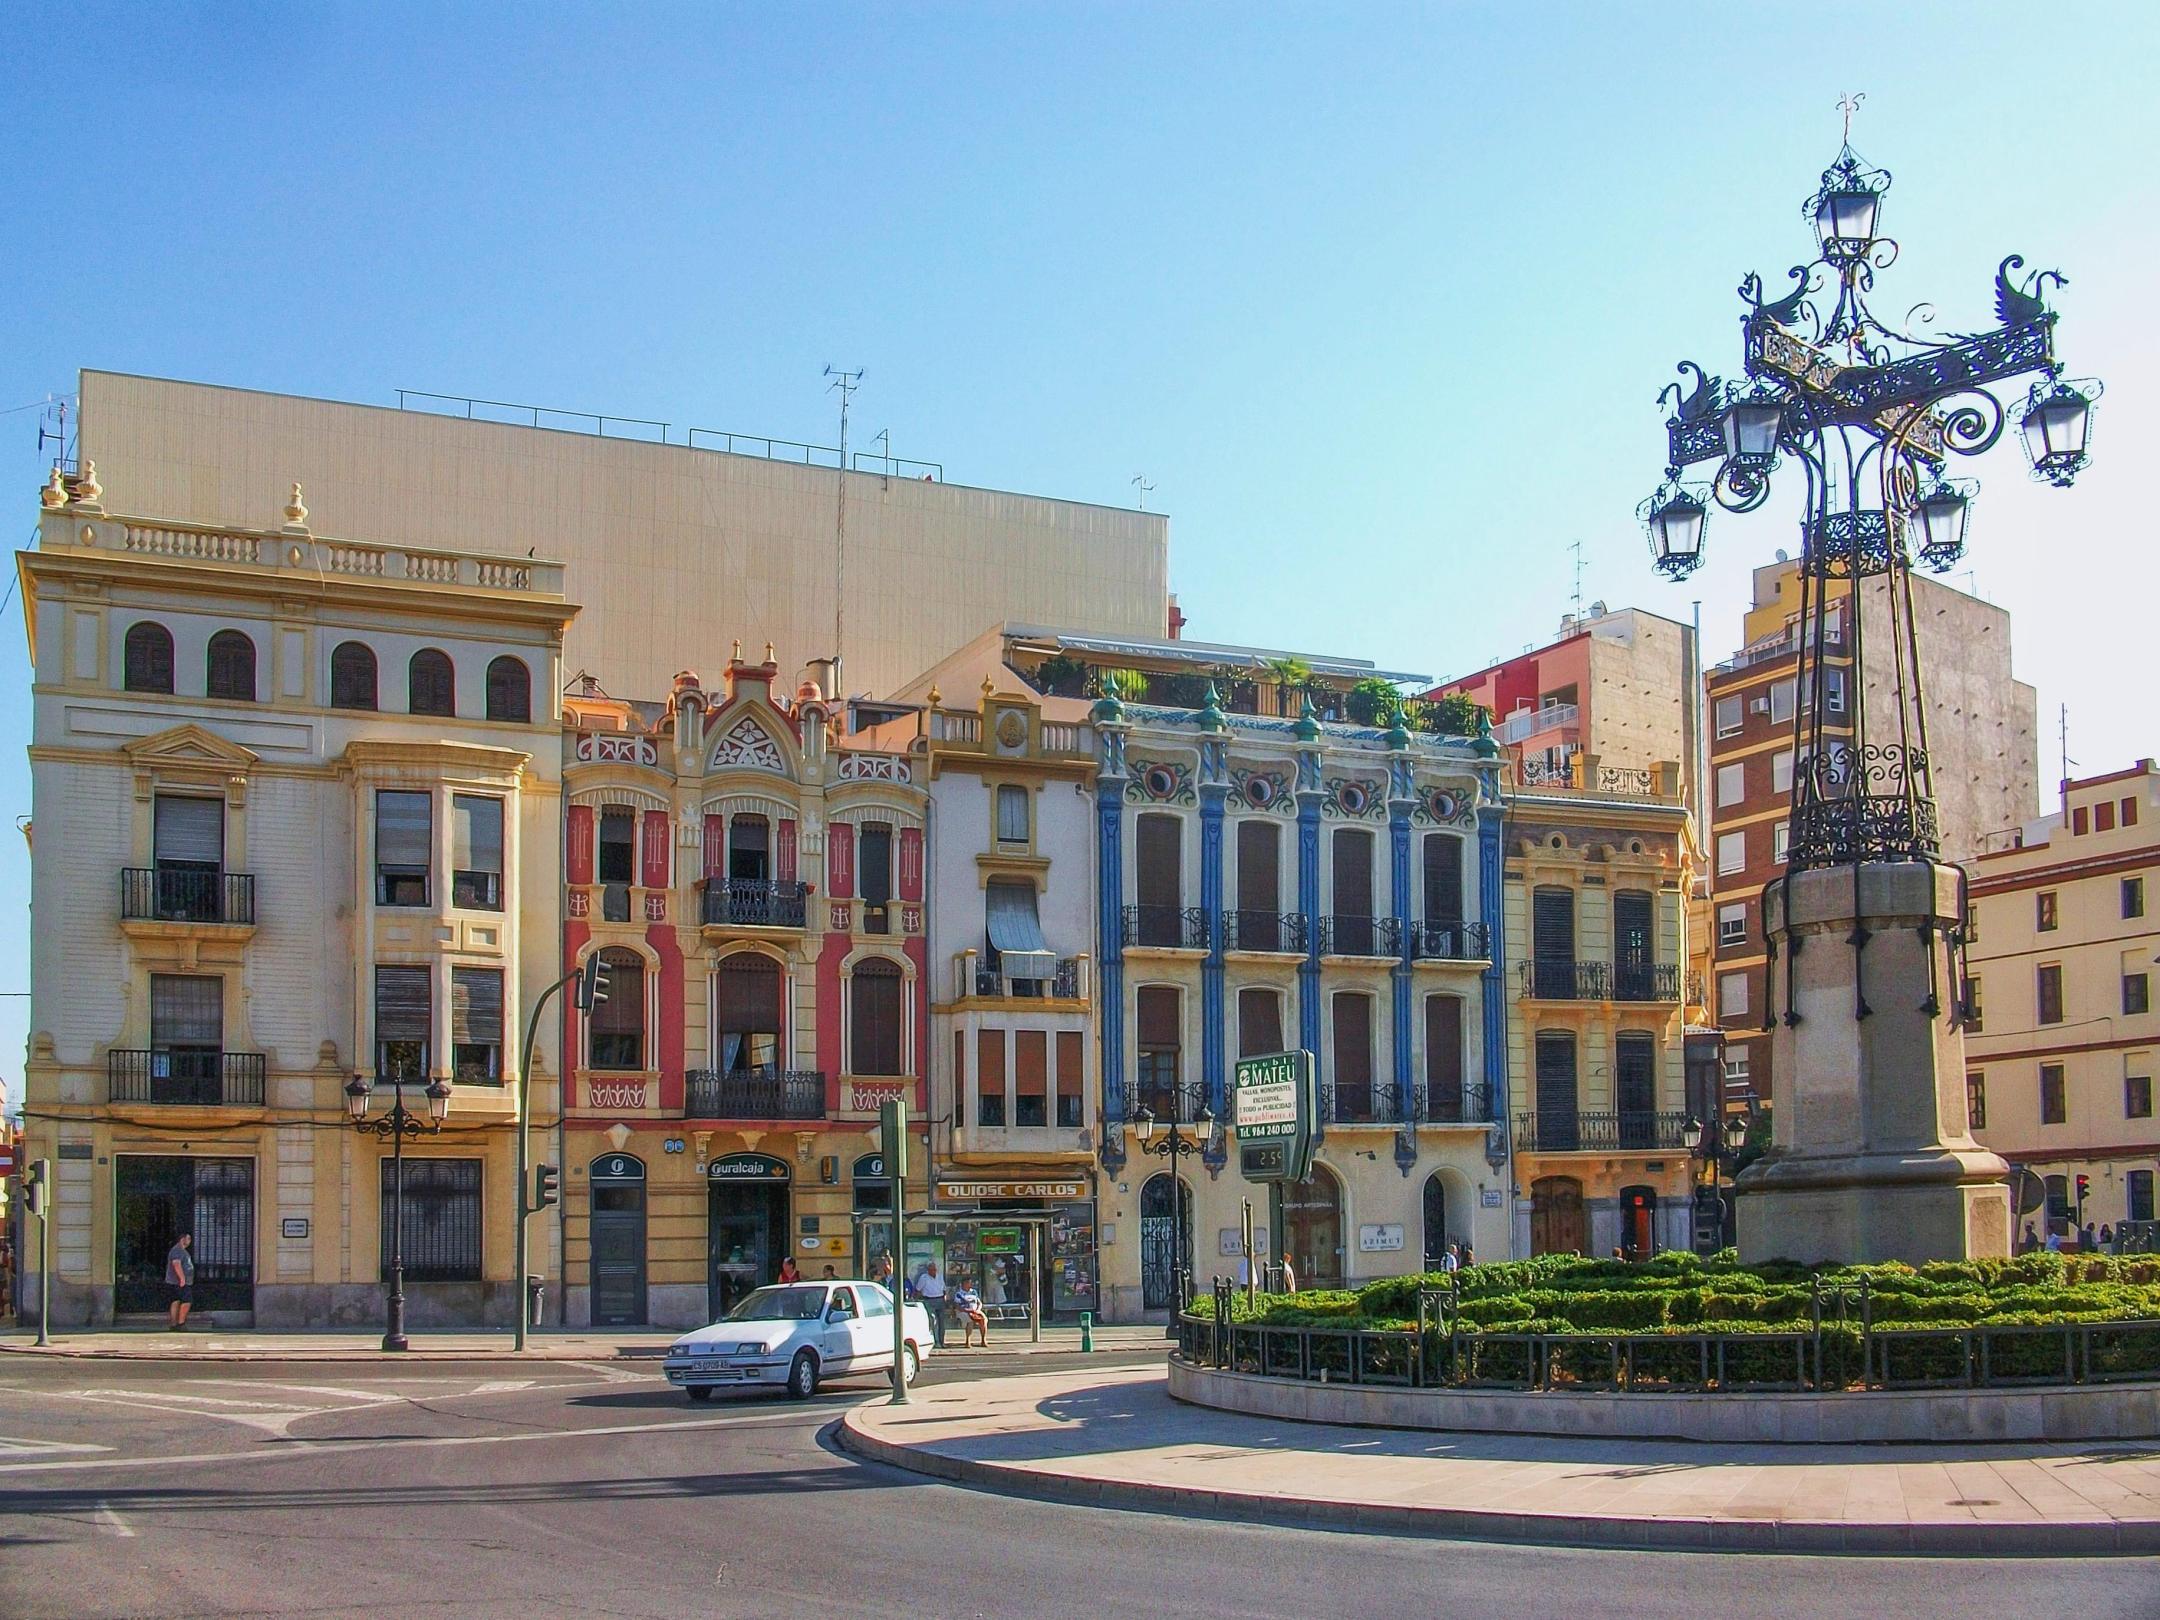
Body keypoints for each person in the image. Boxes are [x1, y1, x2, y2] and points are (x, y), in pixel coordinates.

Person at [913, 1260, 948, 1347]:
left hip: (940, 1299)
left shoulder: (940, 1277)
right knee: (933, 1320)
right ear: (928, 1270)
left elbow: (944, 1289)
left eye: (934, 1269)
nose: (933, 1271)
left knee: (942, 1322)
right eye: (931, 1269)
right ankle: (936, 1342)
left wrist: (945, 1299)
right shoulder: (924, 1277)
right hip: (929, 1300)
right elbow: (918, 1289)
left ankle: (942, 1341)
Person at [166, 1233, 195, 1330]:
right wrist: (182, 1279)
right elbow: (176, 1264)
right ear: (182, 1239)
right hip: (180, 1282)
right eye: (188, 1239)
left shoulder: (181, 1251)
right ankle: (180, 1323)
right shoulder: (178, 1250)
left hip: (176, 1282)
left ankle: (174, 1324)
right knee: (187, 1301)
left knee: (176, 1301)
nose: (190, 1241)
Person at [951, 1276, 989, 1346]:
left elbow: (979, 1303)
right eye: (968, 1283)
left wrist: (978, 1310)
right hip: (963, 1311)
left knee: (983, 1319)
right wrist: (967, 1310)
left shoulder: (974, 1292)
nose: (970, 1284)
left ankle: (983, 1340)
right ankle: (968, 1341)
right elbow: (956, 1306)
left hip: (975, 1311)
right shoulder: (959, 1293)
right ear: (963, 1284)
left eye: (970, 1283)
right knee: (970, 1320)